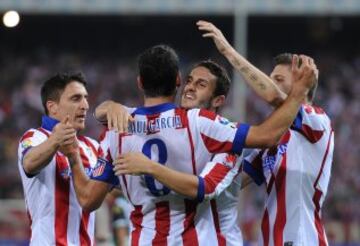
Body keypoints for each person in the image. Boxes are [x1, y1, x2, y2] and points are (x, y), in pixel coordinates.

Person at [66, 44, 316, 245]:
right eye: (190, 81)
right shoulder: (202, 125)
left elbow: (88, 200)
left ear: (140, 82)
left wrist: (79, 149)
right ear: (177, 80)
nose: (190, 87)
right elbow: (265, 137)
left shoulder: (115, 130)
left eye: (201, 84)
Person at [17, 73, 99, 245]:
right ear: (52, 107)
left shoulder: (92, 147)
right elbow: (29, 163)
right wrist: (56, 140)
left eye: (85, 98)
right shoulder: (35, 137)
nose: (85, 105)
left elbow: (120, 185)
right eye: (76, 98)